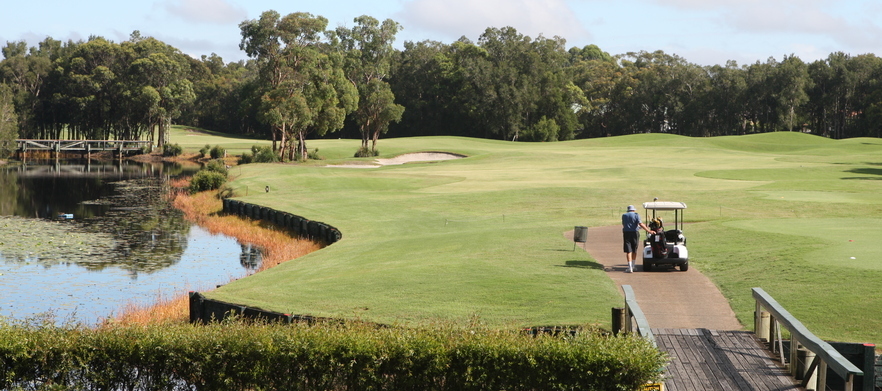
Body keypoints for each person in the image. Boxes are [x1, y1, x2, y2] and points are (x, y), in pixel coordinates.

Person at [622, 205, 653, 273]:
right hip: (635, 233)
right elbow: (640, 224)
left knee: (628, 250)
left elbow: (624, 224)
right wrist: (648, 230)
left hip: (626, 233)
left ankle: (630, 267)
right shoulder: (636, 215)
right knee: (634, 249)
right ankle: (633, 265)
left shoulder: (624, 215)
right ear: (634, 210)